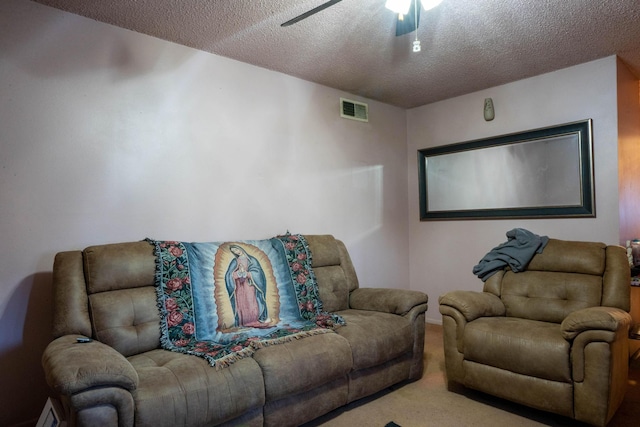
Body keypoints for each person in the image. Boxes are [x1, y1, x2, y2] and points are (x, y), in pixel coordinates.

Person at [224, 245, 269, 328]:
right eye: (234, 251)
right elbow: (228, 276)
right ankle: (243, 323)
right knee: (241, 304)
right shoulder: (234, 261)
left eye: (236, 249)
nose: (236, 252)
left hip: (250, 285)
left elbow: (258, 273)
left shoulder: (252, 260)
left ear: (240, 248)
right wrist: (238, 273)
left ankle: (255, 321)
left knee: (251, 302)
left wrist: (247, 273)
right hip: (239, 287)